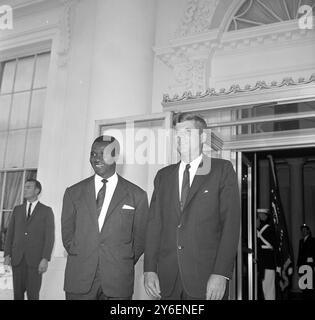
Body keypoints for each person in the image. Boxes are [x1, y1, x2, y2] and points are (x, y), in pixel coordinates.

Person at [144, 113, 240, 300]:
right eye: (177, 134)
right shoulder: (163, 176)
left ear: (203, 137)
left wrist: (221, 273)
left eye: (187, 132)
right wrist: (149, 269)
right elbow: (154, 226)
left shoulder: (222, 170)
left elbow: (231, 226)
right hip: (167, 280)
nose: (180, 138)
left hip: (207, 280)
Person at [61, 135, 148, 300]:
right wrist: (83, 253)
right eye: (93, 154)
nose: (96, 158)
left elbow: (140, 239)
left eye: (103, 154)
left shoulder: (137, 195)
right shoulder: (73, 193)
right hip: (79, 279)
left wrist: (122, 259)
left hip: (118, 281)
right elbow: (67, 235)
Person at [3, 179, 55, 300]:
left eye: (28, 187)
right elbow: (10, 233)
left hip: (35, 261)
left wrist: (45, 258)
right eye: (24, 187)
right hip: (17, 260)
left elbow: (50, 237)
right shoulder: (17, 210)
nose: (25, 189)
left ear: (37, 190)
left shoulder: (46, 211)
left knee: (33, 295)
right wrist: (7, 254)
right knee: (17, 296)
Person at [256, 208, 276, 300]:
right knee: (263, 289)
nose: (258, 217)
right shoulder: (256, 230)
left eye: (259, 215)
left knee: (269, 288)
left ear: (264, 216)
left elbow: (272, 245)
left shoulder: (269, 229)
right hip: (261, 262)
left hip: (268, 262)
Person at [297, 224, 315, 299]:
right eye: (302, 230)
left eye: (305, 230)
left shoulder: (313, 240)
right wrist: (298, 265)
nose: (303, 232)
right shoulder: (301, 241)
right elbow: (300, 254)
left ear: (308, 231)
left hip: (309, 265)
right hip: (302, 265)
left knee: (309, 284)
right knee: (303, 284)